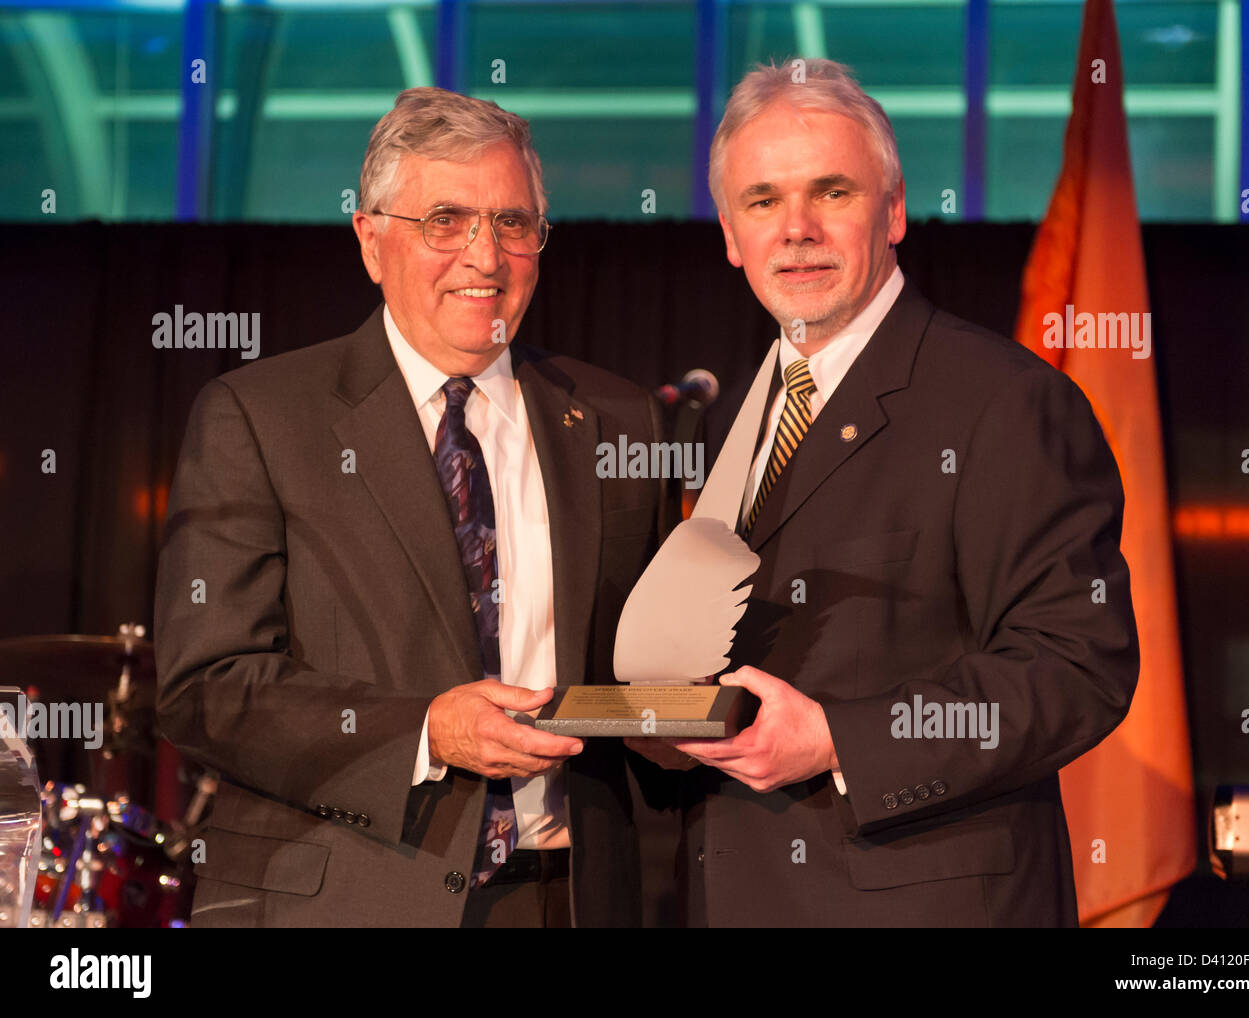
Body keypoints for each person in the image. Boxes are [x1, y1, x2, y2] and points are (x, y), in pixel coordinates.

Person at [637, 59, 1140, 926]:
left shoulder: (1004, 402)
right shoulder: (725, 421)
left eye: (830, 192)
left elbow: (1076, 669)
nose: (795, 229)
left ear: (896, 209)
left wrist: (839, 739)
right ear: (729, 233)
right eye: (762, 201)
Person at [154, 87, 666, 928]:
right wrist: (425, 730)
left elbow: (642, 671)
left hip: (563, 900)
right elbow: (206, 688)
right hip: (340, 902)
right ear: (370, 240)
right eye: (445, 221)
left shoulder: (617, 419)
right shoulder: (260, 416)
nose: (484, 257)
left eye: (513, 222)